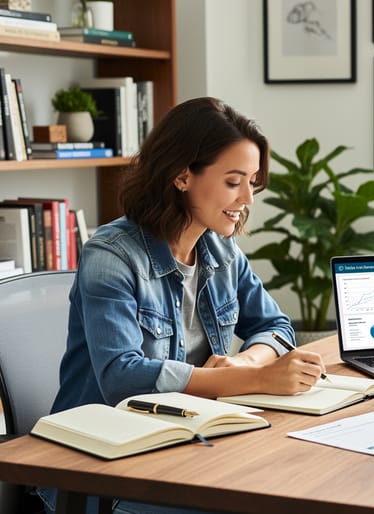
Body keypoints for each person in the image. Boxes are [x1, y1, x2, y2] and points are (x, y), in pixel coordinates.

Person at [38, 97, 326, 514]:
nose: (247, 197)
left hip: (187, 443)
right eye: (233, 181)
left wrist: (248, 362)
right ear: (181, 176)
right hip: (104, 470)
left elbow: (275, 324)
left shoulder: (220, 249)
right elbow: (122, 376)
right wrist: (256, 379)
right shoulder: (111, 255)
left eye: (251, 181)